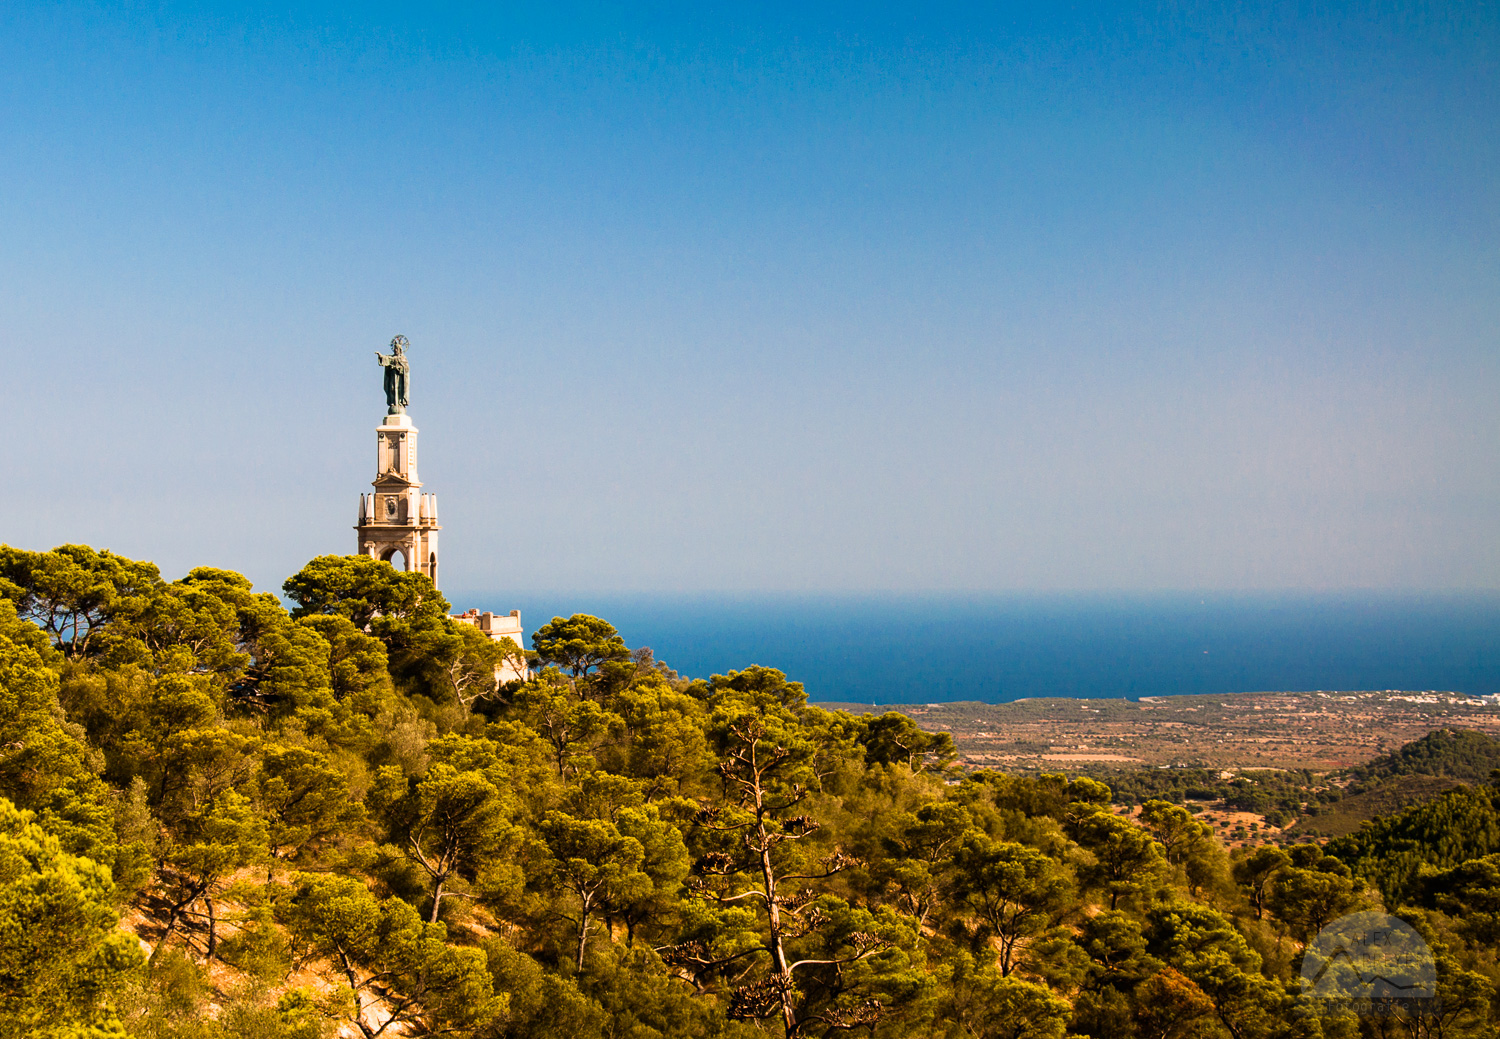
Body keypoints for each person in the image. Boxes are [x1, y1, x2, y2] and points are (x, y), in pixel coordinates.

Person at [376, 335, 411, 413]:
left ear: (400, 350)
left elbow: (406, 369)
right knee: (392, 388)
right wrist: (380, 356)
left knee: (399, 389)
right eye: (395, 348)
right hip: (392, 377)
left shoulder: (403, 358)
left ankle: (400, 403)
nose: (395, 350)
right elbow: (386, 359)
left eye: (397, 349)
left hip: (400, 378)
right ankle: (393, 402)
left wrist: (400, 369)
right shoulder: (391, 358)